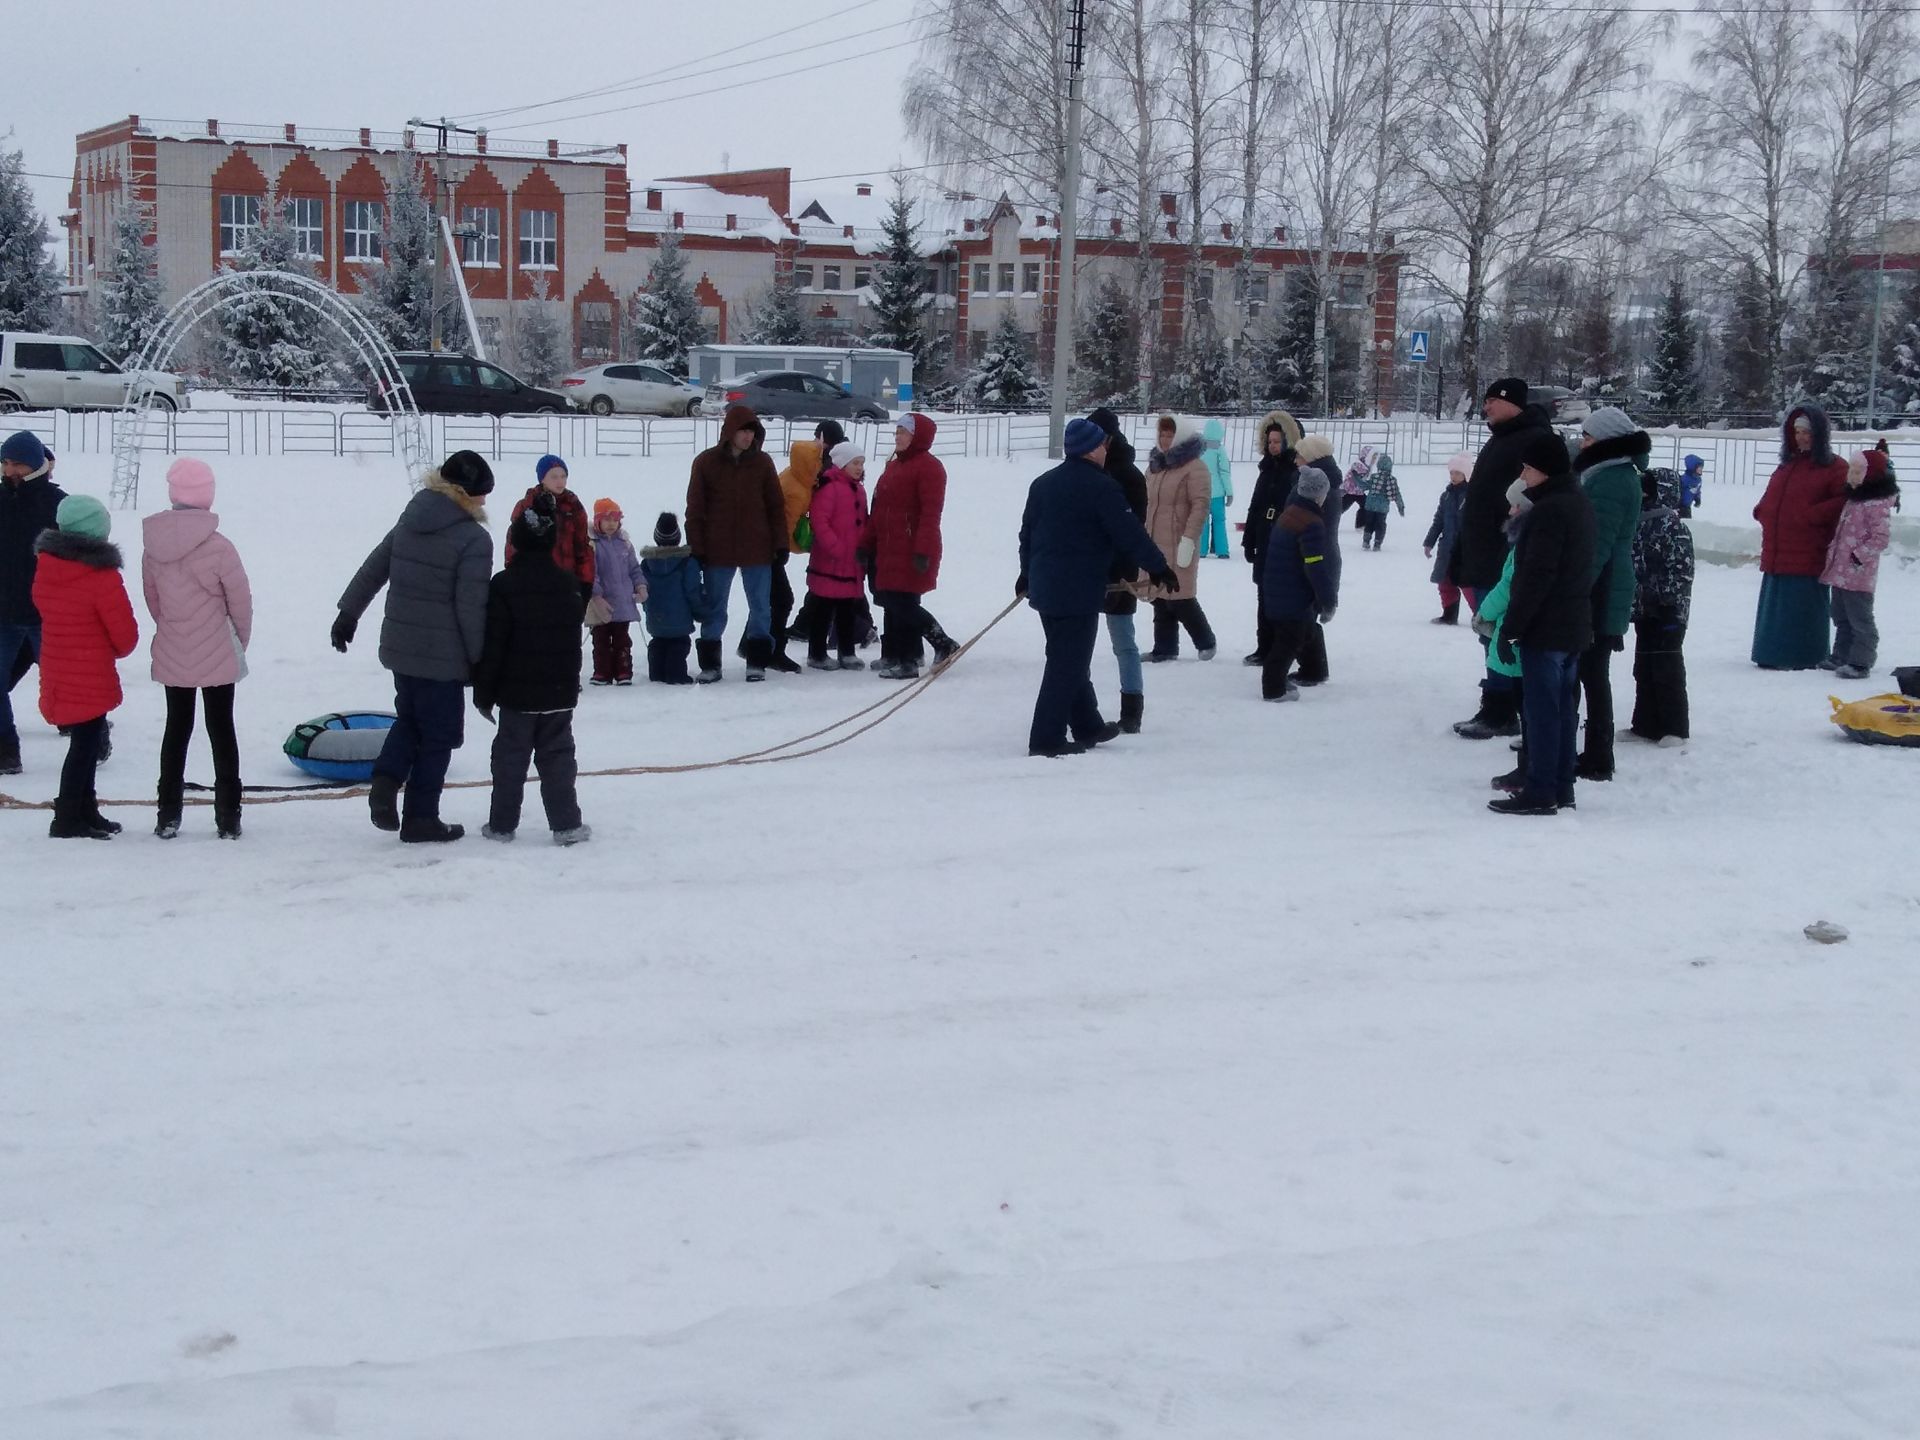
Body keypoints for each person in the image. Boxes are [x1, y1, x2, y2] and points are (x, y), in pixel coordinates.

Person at [332, 449, 494, 844]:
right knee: (439, 736)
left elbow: (375, 566)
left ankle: (386, 783)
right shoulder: (474, 539)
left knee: (410, 721)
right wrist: (480, 661)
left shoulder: (412, 517)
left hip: (402, 649)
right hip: (444, 657)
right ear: (463, 493)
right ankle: (421, 817)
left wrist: (348, 613)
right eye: (481, 494)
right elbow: (470, 607)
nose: (485, 502)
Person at [1017, 416, 1174, 757]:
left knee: (1065, 656)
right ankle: (1046, 738)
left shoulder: (1042, 484)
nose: (1107, 449)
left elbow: (1027, 535)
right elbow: (1128, 532)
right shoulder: (1101, 487)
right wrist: (1158, 567)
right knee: (1067, 663)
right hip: (1077, 591)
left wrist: (1026, 574)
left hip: (1046, 588)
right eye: (1103, 443)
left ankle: (1087, 723)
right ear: (1091, 449)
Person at [142, 457, 253, 840]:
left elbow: (153, 601)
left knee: (176, 729)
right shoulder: (220, 547)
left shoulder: (153, 546)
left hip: (174, 648)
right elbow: (240, 601)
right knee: (222, 729)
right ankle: (228, 816)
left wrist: (174, 631)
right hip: (217, 649)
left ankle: (167, 814)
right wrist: (238, 640)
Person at [1488, 431, 1596, 816]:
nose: (1524, 473)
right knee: (1563, 710)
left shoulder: (1549, 512)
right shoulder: (1576, 503)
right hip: (1571, 624)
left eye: (1529, 468)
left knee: (1544, 713)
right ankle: (1561, 786)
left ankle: (1541, 790)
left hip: (1547, 627)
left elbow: (1536, 577)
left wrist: (1512, 629)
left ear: (1546, 470)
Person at [474, 494, 589, 847]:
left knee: (510, 759)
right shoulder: (568, 585)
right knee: (557, 758)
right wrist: (570, 686)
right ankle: (566, 824)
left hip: (516, 696)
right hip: (557, 693)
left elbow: (493, 644)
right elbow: (572, 644)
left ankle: (502, 825)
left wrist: (484, 692)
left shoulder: (503, 586)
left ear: (515, 543)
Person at [33, 495, 138, 839]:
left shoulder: (47, 571)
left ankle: (86, 809)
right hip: (89, 672)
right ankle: (66, 817)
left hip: (59, 669)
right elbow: (124, 636)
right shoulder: (101, 578)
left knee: (86, 741)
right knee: (84, 746)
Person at [1455, 378, 1554, 738]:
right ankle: (1503, 702)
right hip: (1484, 551)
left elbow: (1530, 500)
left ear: (1511, 402)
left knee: (1498, 632)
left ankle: (1503, 708)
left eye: (1491, 401)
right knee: (1489, 631)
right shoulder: (1504, 436)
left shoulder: (1531, 440)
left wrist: (1509, 545)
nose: (1486, 408)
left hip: (1504, 555)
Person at [1571, 407, 1650, 782]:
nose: (1582, 443)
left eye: (1587, 437)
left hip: (1600, 591)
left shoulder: (1612, 479)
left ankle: (1598, 755)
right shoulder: (1606, 473)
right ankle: (1588, 751)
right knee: (1589, 671)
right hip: (1602, 586)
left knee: (1590, 672)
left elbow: (1596, 545)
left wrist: (1573, 588)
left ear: (1605, 441)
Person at [687, 404, 787, 683]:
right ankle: (710, 664)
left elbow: (776, 506)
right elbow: (695, 509)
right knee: (715, 607)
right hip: (717, 548)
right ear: (730, 431)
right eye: (743, 431)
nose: (748, 437)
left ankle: (757, 661)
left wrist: (780, 543)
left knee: (760, 607)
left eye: (752, 432)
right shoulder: (706, 462)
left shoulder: (763, 462)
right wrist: (696, 547)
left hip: (758, 547)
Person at [1752, 406, 1849, 670]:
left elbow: (1844, 502)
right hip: (1778, 551)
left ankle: (1803, 656)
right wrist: (1762, 511)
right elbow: (1773, 496)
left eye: (1806, 432)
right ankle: (1771, 653)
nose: (1801, 437)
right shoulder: (1788, 465)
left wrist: (1810, 515)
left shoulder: (1835, 467)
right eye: (1796, 432)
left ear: (1819, 434)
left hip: (1808, 552)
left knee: (1802, 607)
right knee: (1776, 608)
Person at [864, 412, 957, 680]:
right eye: (896, 432)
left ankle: (939, 644)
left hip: (912, 546)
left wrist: (922, 550)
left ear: (917, 436)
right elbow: (879, 509)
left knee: (902, 602)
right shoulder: (894, 466)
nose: (897, 437)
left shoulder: (929, 467)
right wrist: (866, 542)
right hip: (889, 545)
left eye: (903, 432)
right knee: (892, 600)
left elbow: (931, 513)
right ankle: (899, 654)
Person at [1088, 406, 1150, 732]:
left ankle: (1132, 709)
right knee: (1079, 644)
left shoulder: (1128, 475)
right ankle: (1084, 710)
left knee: (1123, 642)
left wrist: (1121, 573)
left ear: (1110, 438)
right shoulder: (1086, 469)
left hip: (1120, 571)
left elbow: (1133, 530)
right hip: (1086, 569)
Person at [1820, 448, 1900, 680]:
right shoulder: (1854, 500)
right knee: (1840, 616)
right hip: (1841, 571)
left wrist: (1858, 556)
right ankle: (1840, 655)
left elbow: (1880, 538)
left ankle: (1860, 661)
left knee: (1860, 619)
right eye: (1851, 471)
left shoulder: (1876, 504)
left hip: (1858, 573)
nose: (1852, 476)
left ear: (1871, 475)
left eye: (1858, 472)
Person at [1259, 467, 1338, 702]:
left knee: (1306, 630)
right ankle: (1273, 689)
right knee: (1289, 641)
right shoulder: (1311, 522)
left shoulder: (1291, 512)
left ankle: (1315, 670)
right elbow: (1315, 566)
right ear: (1318, 495)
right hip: (1292, 594)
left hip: (1278, 588)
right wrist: (1328, 600)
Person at [1628, 466, 1695, 745]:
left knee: (1667, 666)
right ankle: (1644, 723)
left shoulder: (1674, 526)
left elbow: (1680, 571)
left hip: (1668, 611)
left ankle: (1674, 727)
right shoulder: (1638, 521)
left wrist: (1667, 603)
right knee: (1643, 666)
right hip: (1644, 609)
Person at [1143, 414, 1217, 661]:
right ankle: (1164, 648)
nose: (1165, 440)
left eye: (1170, 435)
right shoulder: (1155, 467)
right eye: (1162, 434)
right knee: (1160, 597)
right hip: (1155, 541)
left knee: (1181, 596)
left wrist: (1189, 538)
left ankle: (1205, 640)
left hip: (1180, 541)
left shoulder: (1195, 467)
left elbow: (1200, 505)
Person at [804, 441, 871, 671]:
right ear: (842, 463)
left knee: (847, 609)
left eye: (861, 463)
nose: (859, 467)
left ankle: (847, 651)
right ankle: (816, 653)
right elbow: (819, 521)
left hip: (851, 561)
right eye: (855, 463)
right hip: (830, 560)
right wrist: (835, 547)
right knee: (823, 608)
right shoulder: (829, 487)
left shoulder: (858, 489)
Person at [1242, 411, 1302, 665]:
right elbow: (1256, 505)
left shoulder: (1295, 470)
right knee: (1263, 594)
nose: (1273, 446)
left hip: (1283, 539)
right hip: (1265, 537)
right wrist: (1249, 539)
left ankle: (1282, 648)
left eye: (1277, 441)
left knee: (1280, 595)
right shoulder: (1266, 469)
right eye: (1270, 442)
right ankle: (1263, 645)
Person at [1288, 435, 1346, 686]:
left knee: (1306, 615)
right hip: (1308, 556)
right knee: (1304, 613)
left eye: (1300, 456)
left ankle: (1314, 669)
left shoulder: (1324, 490)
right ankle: (1311, 666)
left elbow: (1314, 528)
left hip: (1317, 558)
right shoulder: (1309, 482)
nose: (1295, 460)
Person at [509, 456, 594, 598]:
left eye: (563, 476)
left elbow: (582, 547)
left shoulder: (573, 505)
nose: (560, 481)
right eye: (554, 477)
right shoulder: (527, 504)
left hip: (567, 583)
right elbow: (513, 545)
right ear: (542, 479)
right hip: (534, 583)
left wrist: (585, 583)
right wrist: (515, 576)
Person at [775, 436, 824, 673]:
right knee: (781, 600)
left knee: (772, 600)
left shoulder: (795, 477)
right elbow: (788, 526)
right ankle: (769, 650)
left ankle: (761, 647)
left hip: (772, 546)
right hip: (775, 549)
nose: (819, 465)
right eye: (816, 460)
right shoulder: (798, 490)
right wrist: (798, 547)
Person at [640, 511, 707, 684]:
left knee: (658, 643)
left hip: (655, 618)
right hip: (680, 618)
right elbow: (692, 591)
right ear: (678, 538)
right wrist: (700, 611)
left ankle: (657, 671)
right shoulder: (687, 563)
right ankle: (676, 674)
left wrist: (647, 609)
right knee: (679, 644)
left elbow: (643, 589)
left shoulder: (647, 563)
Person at [586, 498, 645, 686]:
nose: (611, 524)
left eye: (615, 519)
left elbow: (634, 569)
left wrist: (640, 586)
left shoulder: (624, 543)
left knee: (622, 640)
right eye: (606, 519)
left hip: (622, 602)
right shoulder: (593, 544)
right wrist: (596, 595)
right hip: (601, 604)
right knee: (601, 640)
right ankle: (602, 672)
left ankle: (623, 671)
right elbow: (591, 572)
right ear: (597, 522)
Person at [1424, 452, 1472, 624]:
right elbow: (1438, 521)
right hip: (1446, 547)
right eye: (1451, 473)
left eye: (1457, 473)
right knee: (1445, 582)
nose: (1453, 476)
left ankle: (1480, 616)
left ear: (1466, 474)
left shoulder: (1472, 496)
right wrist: (1429, 542)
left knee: (1467, 584)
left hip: (1465, 549)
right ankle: (1449, 614)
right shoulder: (1446, 496)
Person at [1199, 418, 1234, 557]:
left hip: (1202, 492)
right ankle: (1222, 550)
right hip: (1218, 493)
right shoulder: (1220, 449)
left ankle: (1201, 550)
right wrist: (1229, 492)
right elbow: (1224, 472)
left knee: (1203, 522)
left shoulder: (1199, 450)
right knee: (1219, 522)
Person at [1357, 452, 1406, 551]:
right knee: (1380, 525)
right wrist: (1401, 506)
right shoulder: (1392, 480)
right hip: (1382, 508)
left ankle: (1366, 541)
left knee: (1369, 523)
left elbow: (1364, 486)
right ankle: (1377, 543)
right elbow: (1397, 494)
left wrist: (1357, 479)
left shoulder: (1374, 477)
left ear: (1378, 465)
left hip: (1370, 506)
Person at [1679, 454, 1704, 518]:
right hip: (1680, 506)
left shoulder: (1698, 480)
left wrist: (1697, 498)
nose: (1701, 470)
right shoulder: (1685, 479)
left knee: (1688, 522)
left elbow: (1697, 490)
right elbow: (1679, 489)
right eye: (1699, 468)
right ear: (1692, 468)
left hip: (1687, 506)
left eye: (1702, 468)